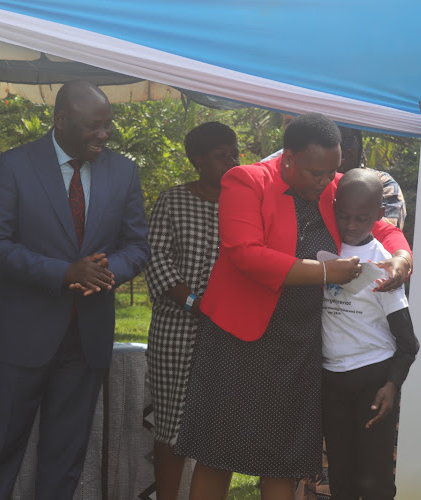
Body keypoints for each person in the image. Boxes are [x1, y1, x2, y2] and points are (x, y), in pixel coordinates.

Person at [174, 113, 413, 500]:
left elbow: (380, 224)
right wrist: (324, 272)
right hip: (240, 337)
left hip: (300, 342)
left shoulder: (327, 180)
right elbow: (245, 254)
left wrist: (402, 256)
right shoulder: (246, 181)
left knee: (283, 459)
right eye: (317, 174)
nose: (326, 183)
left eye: (331, 173)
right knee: (216, 452)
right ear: (288, 158)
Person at [0, 80, 150, 499]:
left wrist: (106, 272)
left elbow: (137, 246)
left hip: (87, 340)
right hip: (22, 339)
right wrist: (66, 273)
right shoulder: (12, 166)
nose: (104, 135)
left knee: (66, 456)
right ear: (61, 120)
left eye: (108, 125)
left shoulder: (124, 171)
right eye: (93, 126)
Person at [145, 121, 239, 499]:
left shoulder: (246, 204)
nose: (232, 161)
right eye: (222, 156)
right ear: (197, 160)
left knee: (220, 429)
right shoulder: (173, 200)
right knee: (171, 428)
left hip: (230, 331)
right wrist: (194, 303)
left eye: (235, 153)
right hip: (177, 330)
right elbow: (156, 258)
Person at [320, 169, 419, 500]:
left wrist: (391, 386)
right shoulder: (323, 248)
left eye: (361, 218)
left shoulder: (383, 263)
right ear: (333, 207)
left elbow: (408, 343)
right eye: (344, 215)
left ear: (379, 215)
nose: (350, 225)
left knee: (375, 478)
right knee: (341, 478)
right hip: (332, 379)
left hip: (373, 382)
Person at [338, 126, 406, 229]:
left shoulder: (384, 183)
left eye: (347, 141)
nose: (339, 148)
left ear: (360, 145)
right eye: (331, 142)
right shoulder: (314, 184)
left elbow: (387, 232)